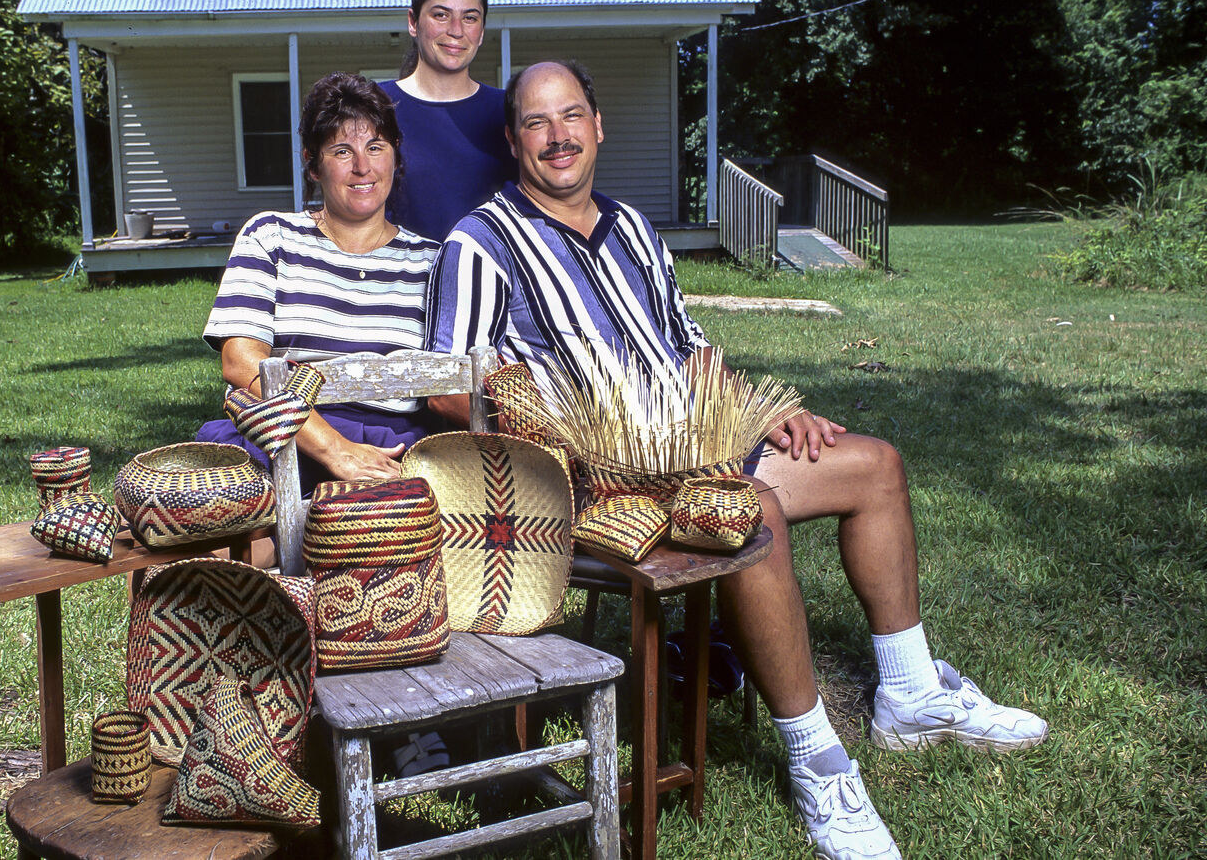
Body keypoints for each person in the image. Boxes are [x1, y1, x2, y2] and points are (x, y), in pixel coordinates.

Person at [423, 61, 1049, 860]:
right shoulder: (480, 242)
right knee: (754, 510)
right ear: (513, 139)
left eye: (571, 114)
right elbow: (450, 386)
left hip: (695, 447)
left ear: (598, 124)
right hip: (592, 481)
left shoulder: (635, 230)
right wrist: (547, 419)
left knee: (874, 465)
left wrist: (763, 407)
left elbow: (689, 353)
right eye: (538, 123)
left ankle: (912, 692)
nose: (558, 136)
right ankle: (817, 757)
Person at [197, 72, 441, 490]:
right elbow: (240, 363)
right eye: (342, 151)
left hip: (394, 450)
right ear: (313, 164)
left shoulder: (433, 261)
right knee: (247, 542)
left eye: (375, 147)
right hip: (284, 436)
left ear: (395, 155)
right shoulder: (270, 237)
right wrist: (335, 450)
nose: (362, 166)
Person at [379, 0, 517, 242]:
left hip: (489, 280)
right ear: (413, 22)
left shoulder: (509, 112)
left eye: (470, 17)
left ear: (481, 30)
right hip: (398, 281)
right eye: (441, 15)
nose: (456, 30)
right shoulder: (376, 106)